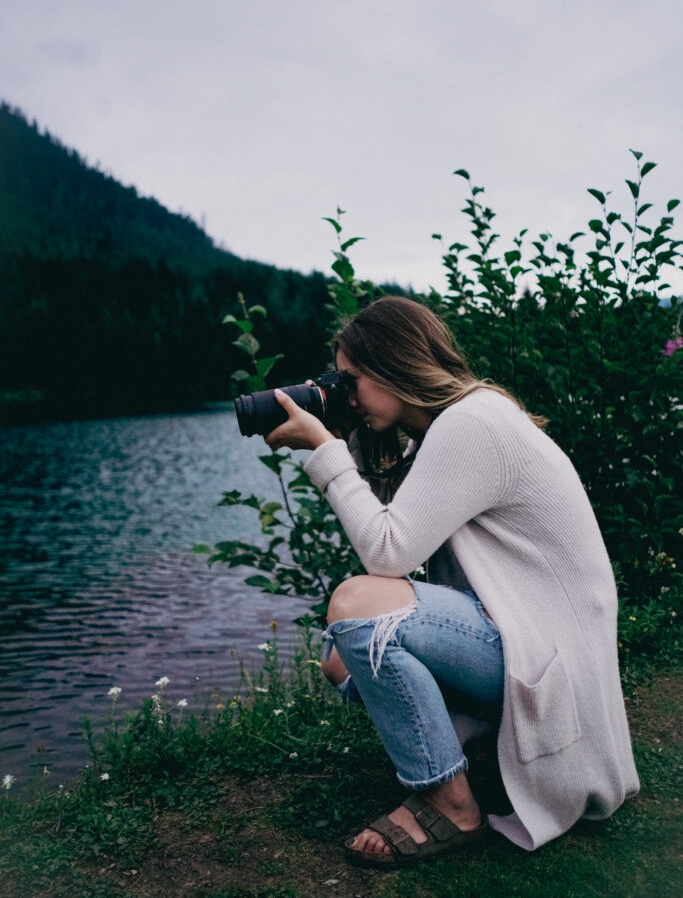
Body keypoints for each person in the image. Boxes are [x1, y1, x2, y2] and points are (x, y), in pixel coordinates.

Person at [265, 296, 639, 867]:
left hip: (547, 653)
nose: (346, 393)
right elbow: (391, 532)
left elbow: (387, 554)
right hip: (526, 637)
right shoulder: (455, 423)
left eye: (351, 381)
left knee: (355, 607)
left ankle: (451, 800)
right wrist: (353, 440)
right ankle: (481, 751)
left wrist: (325, 450)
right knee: (342, 657)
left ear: (394, 364)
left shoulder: (471, 424)